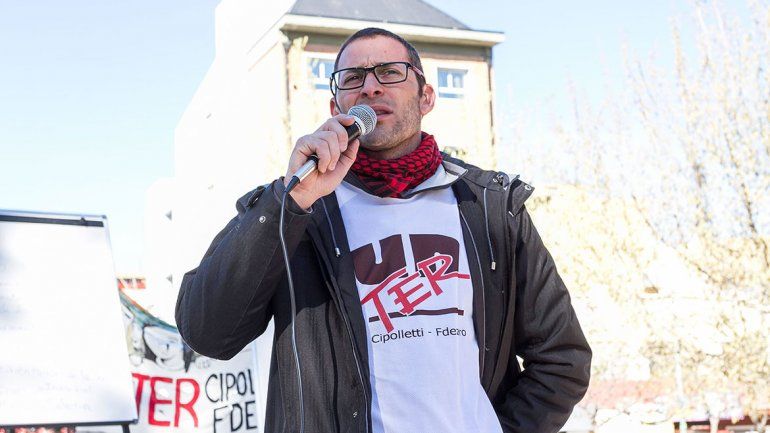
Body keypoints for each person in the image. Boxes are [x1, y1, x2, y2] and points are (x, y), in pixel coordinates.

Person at [175, 27, 591, 433]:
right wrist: (290, 202)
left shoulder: (491, 208)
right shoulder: (297, 208)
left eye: (390, 72)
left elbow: (561, 358)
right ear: (336, 106)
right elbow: (208, 333)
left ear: (426, 96)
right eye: (353, 78)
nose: (370, 87)